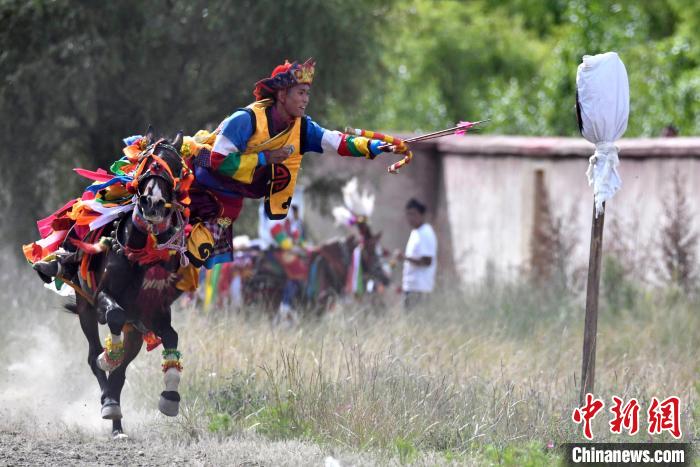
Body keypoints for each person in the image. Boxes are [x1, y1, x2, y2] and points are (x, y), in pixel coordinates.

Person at [397, 198, 437, 309]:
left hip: (420, 288)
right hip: (411, 286)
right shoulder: (415, 232)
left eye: (413, 214)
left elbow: (427, 261)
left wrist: (405, 258)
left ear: (422, 215)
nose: (410, 218)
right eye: (408, 214)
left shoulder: (426, 233)